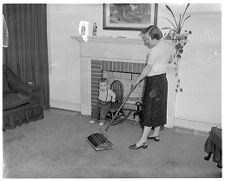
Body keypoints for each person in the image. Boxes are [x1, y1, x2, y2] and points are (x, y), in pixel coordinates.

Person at [129, 25, 175, 150]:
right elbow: (171, 59)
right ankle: (156, 133)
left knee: (149, 111)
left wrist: (137, 81)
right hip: (162, 81)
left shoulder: (155, 50)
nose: (145, 41)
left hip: (154, 82)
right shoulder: (167, 44)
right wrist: (161, 63)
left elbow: (148, 68)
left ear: (152, 37)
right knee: (158, 108)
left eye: (146, 39)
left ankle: (142, 141)